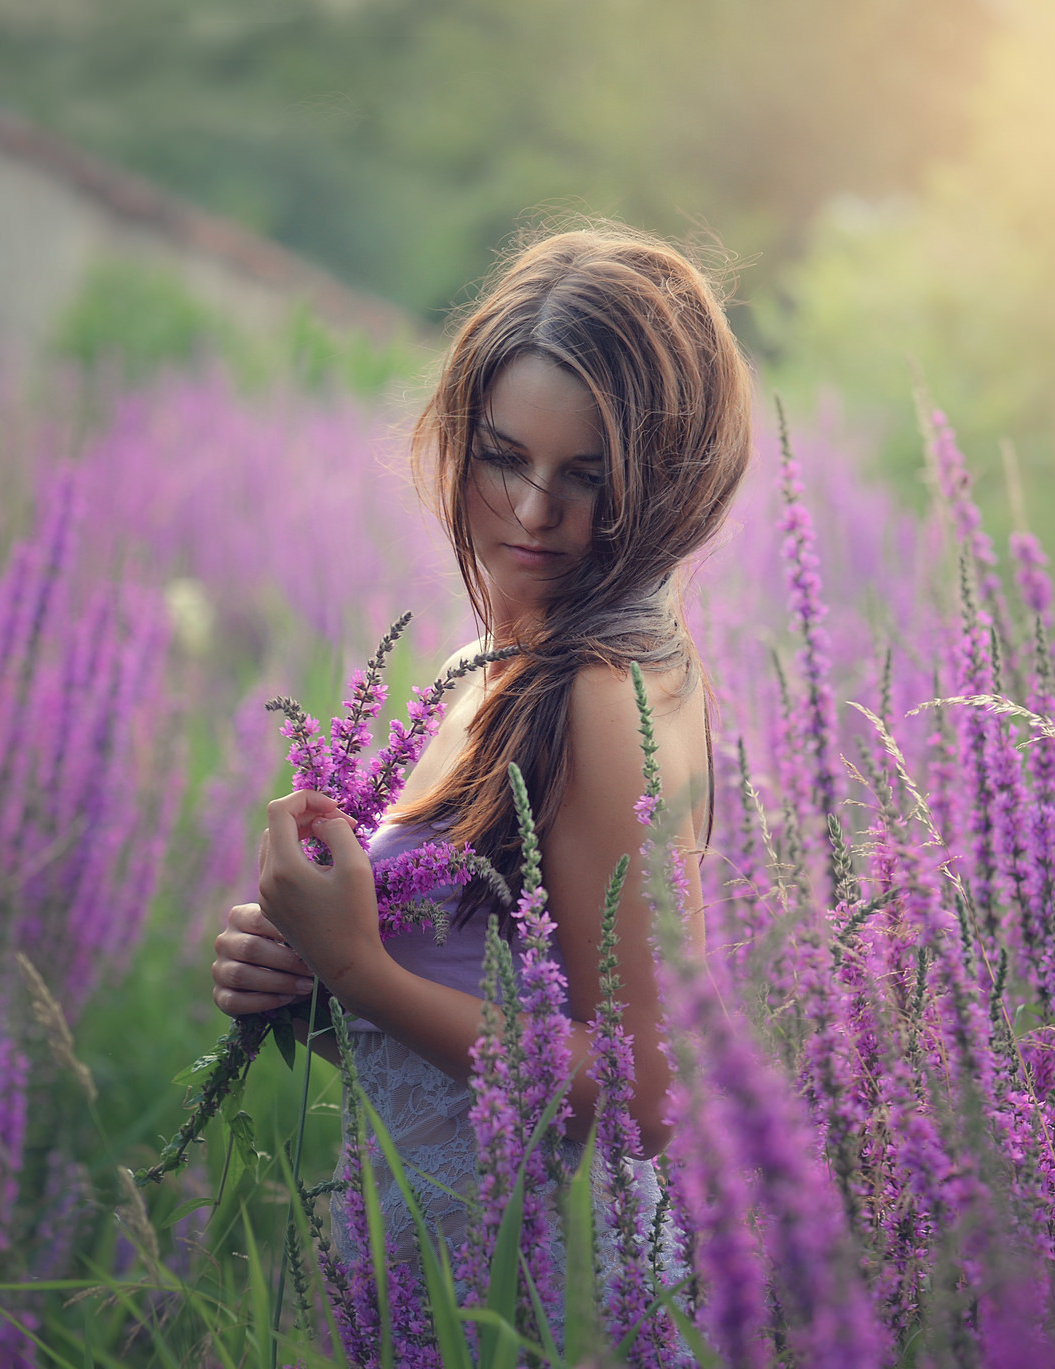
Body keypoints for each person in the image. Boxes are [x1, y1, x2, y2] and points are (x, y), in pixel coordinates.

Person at [208, 223, 750, 1265]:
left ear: (664, 482)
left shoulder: (595, 699)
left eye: (585, 476)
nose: (533, 511)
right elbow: (472, 1011)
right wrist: (307, 978)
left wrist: (359, 968)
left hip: (539, 1300)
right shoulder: (504, 664)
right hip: (449, 1279)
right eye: (503, 457)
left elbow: (647, 1094)